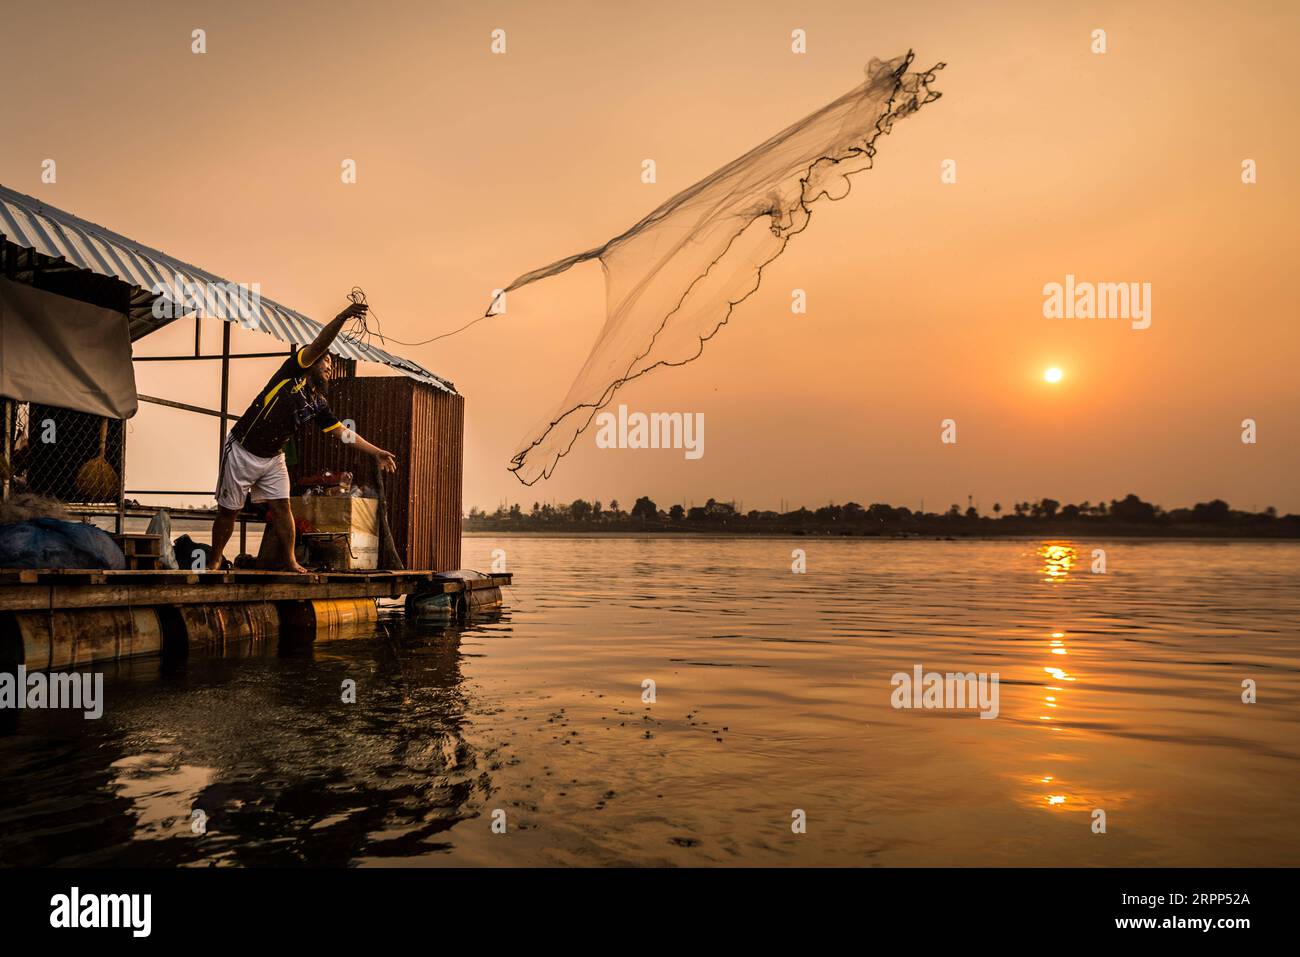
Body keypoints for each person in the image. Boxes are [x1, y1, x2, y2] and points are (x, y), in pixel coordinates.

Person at [210, 300, 397, 572]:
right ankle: (215, 558)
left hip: (273, 458)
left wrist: (376, 451)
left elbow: (344, 434)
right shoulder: (294, 372)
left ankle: (290, 561)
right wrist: (343, 316)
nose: (329, 367)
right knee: (230, 511)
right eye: (326, 362)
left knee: (284, 508)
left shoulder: (317, 402)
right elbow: (321, 343)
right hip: (243, 449)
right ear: (312, 361)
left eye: (332, 364)